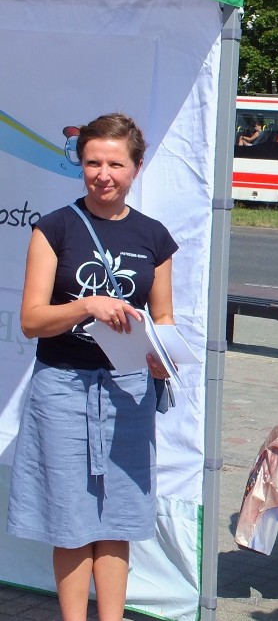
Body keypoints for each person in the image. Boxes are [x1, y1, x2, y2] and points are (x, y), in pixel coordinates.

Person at [6, 113, 178, 621]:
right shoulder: (54, 228)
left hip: (129, 391)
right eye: (92, 162)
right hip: (62, 388)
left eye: (115, 164)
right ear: (80, 164)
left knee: (118, 516)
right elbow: (32, 321)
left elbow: (163, 316)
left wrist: (162, 359)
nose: (103, 174)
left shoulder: (154, 236)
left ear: (136, 168)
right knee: (72, 517)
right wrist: (86, 305)